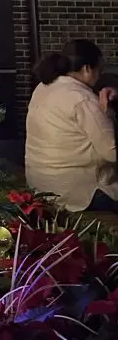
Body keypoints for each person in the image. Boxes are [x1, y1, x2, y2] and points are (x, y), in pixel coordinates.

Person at [25, 39, 118, 212]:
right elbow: (112, 152)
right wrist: (108, 114)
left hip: (41, 185)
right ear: (87, 69)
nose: (99, 76)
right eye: (99, 70)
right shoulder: (82, 99)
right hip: (79, 192)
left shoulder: (43, 87)